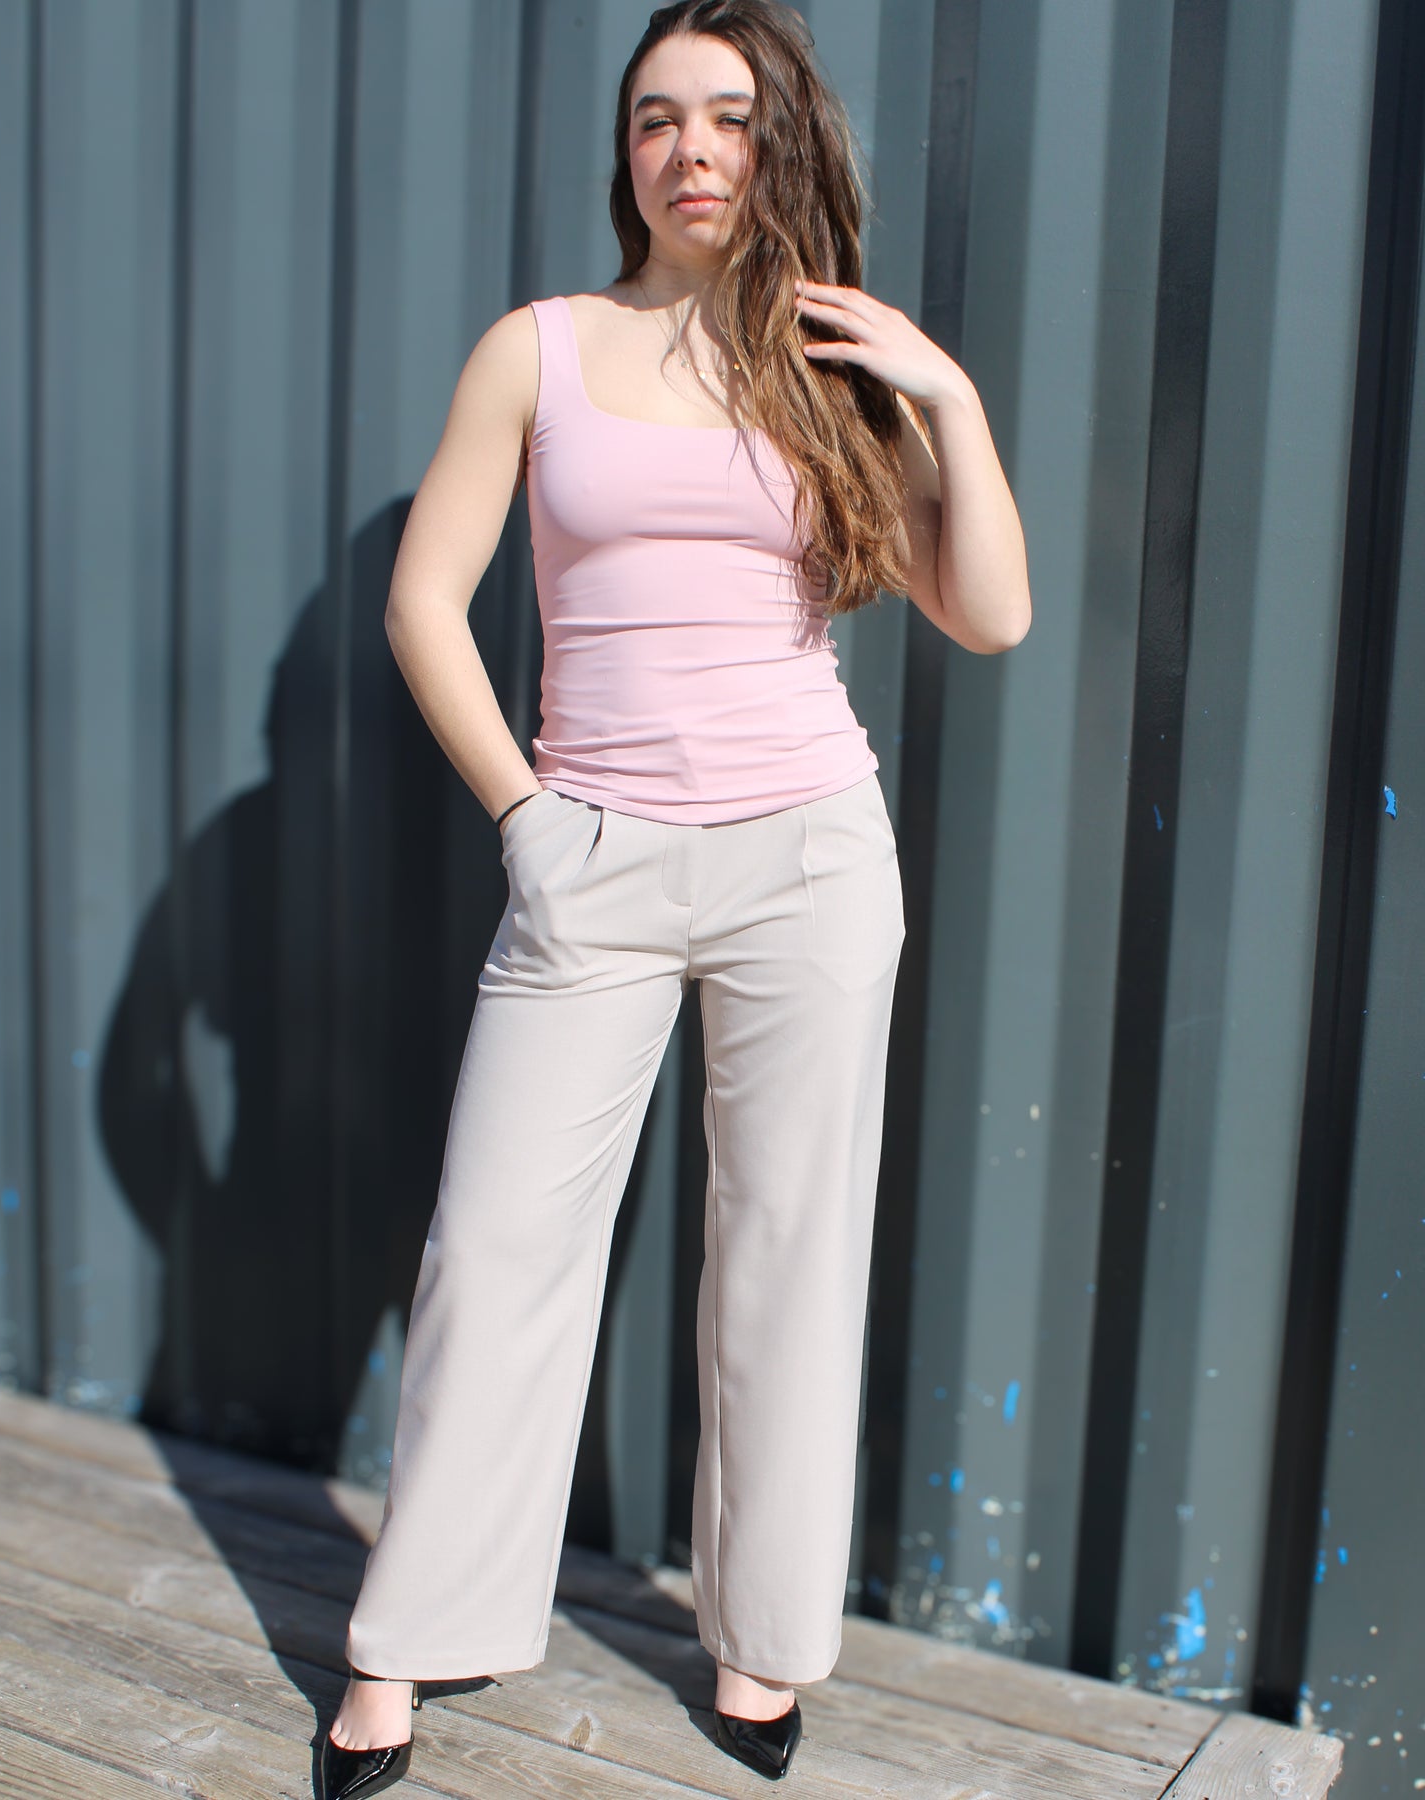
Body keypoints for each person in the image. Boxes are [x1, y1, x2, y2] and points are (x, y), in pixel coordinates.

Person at [321, 1, 1030, 1791]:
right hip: (595, 861)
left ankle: (763, 1647)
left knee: (790, 1255)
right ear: (624, 152)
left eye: (727, 115)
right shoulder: (539, 349)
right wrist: (528, 820)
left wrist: (945, 394)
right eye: (657, 118)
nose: (691, 149)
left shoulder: (831, 359)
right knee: (496, 1253)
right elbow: (423, 604)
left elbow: (991, 612)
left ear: (780, 141)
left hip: (810, 857)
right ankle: (406, 1644)